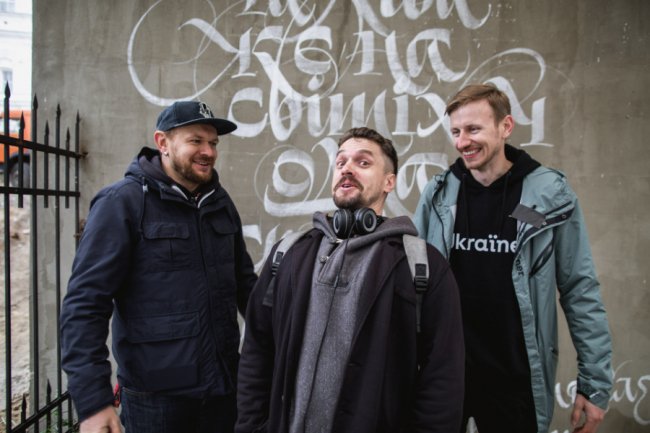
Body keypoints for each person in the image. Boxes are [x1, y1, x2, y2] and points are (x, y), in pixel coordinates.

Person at [235, 127, 465, 433]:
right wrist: (252, 426)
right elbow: (257, 349)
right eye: (341, 161)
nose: (347, 168)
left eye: (363, 162)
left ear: (389, 182)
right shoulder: (289, 253)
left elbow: (443, 376)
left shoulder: (422, 266)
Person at [414, 84, 613, 433]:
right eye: (456, 132)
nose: (462, 142)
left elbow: (579, 289)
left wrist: (594, 384)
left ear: (506, 126)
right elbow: (412, 285)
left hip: (515, 379)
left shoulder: (548, 195)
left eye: (473, 129)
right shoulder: (439, 194)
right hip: (447, 375)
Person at [60, 101, 258, 433]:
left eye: (213, 143)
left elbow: (246, 286)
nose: (208, 151)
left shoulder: (220, 203)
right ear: (162, 142)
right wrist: (93, 402)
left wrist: (283, 344)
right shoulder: (122, 203)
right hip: (156, 402)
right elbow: (85, 304)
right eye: (196, 141)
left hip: (224, 391)